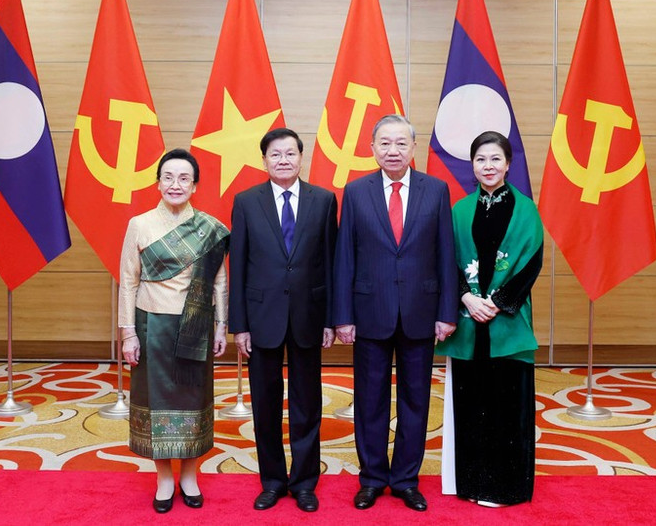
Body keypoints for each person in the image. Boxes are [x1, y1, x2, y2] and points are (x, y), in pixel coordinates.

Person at [333, 114, 458, 512]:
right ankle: (371, 478)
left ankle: (405, 479)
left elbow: (445, 254)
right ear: (372, 149)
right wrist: (343, 316)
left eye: (401, 143)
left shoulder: (436, 191)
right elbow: (345, 258)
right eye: (385, 143)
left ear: (413, 149)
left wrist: (446, 311)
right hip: (370, 312)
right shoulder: (355, 192)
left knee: (415, 400)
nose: (393, 150)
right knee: (369, 400)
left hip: (421, 313)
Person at [229, 128, 338, 513]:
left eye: (290, 153)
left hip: (309, 315)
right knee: (265, 403)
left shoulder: (324, 201)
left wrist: (330, 319)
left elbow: (330, 263)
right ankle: (273, 481)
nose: (283, 160)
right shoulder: (245, 202)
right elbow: (238, 265)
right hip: (261, 319)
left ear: (301, 158)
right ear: (264, 160)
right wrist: (238, 325)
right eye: (275, 154)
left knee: (308, 404)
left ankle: (305, 482)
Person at [119, 148, 229, 514]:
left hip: (195, 327)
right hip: (151, 326)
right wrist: (128, 333)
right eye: (168, 177)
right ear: (157, 182)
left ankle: (189, 476)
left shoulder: (210, 228)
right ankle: (164, 478)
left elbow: (220, 282)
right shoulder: (140, 224)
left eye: (184, 178)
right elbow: (127, 282)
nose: (175, 184)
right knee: (155, 403)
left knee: (193, 402)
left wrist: (221, 326)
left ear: (195, 185)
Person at [436, 131, 543, 507]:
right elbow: (445, 261)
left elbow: (532, 263)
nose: (488, 166)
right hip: (468, 322)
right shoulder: (460, 211)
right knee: (472, 405)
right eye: (481, 159)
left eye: (495, 159)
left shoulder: (526, 209)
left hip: (507, 322)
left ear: (508, 163)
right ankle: (472, 483)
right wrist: (466, 297)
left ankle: (506, 487)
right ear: (473, 165)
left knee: (506, 407)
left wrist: (495, 302)